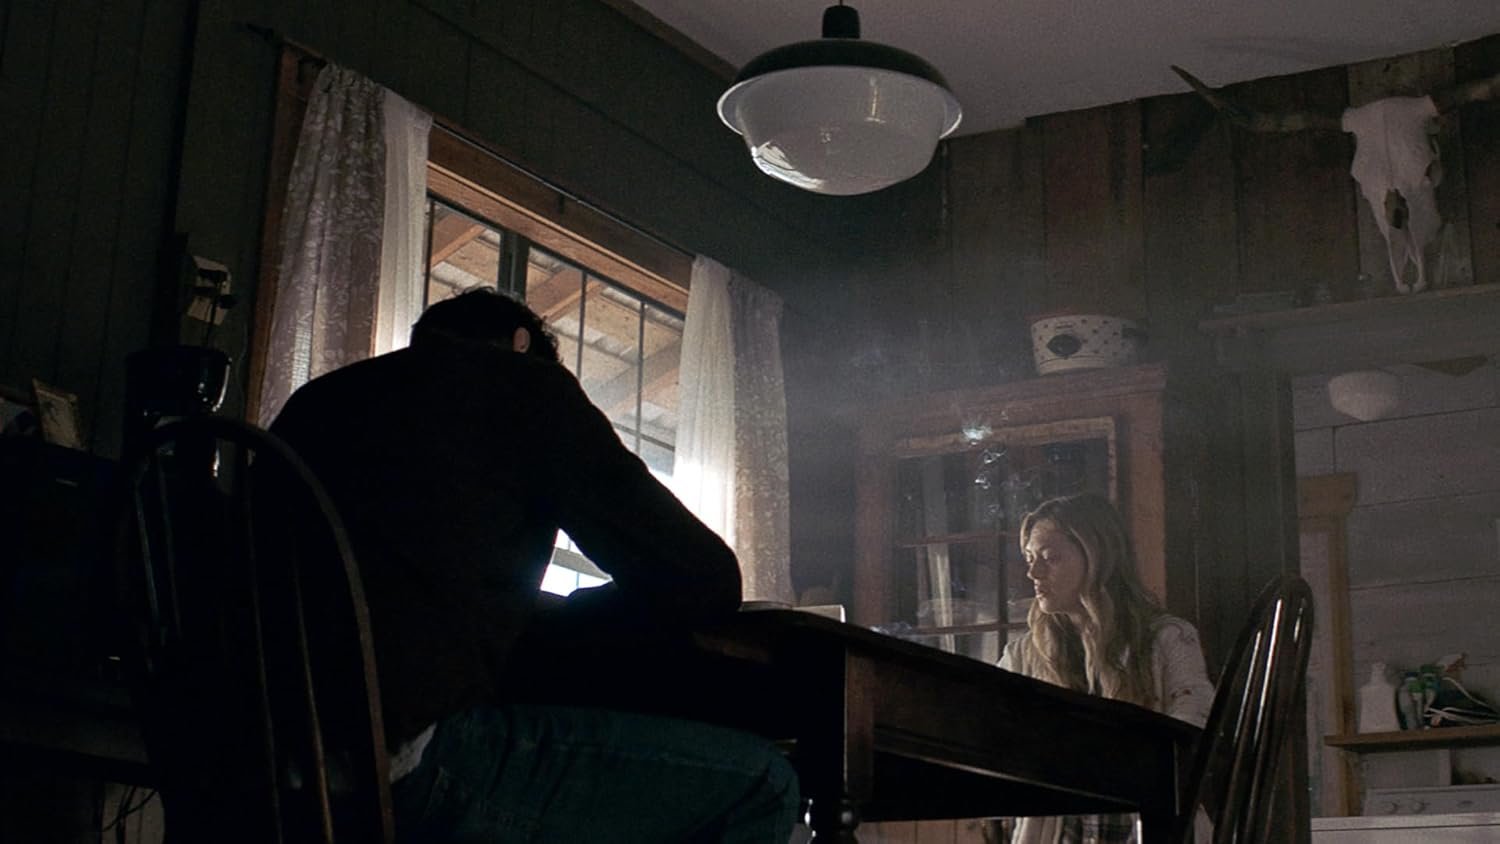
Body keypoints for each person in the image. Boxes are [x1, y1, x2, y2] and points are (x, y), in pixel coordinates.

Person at [270, 288, 799, 842]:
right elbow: (704, 577)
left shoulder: (317, 402)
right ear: (521, 344)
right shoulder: (524, 387)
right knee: (765, 784)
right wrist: (583, 610)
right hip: (394, 763)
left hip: (262, 766)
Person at [996, 493, 1213, 844]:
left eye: (1050, 558)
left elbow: (1194, 732)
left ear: (1096, 557)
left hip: (1150, 824)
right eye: (1030, 559)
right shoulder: (1023, 654)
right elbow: (991, 729)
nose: (1033, 573)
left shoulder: (1168, 638)